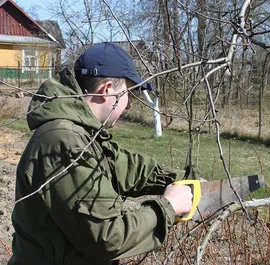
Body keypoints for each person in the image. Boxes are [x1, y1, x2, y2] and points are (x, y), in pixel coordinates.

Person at [8, 42, 195, 265]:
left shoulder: (80, 134)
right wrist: (168, 207)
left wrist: (181, 179)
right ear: (107, 90)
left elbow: (124, 166)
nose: (128, 107)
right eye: (128, 94)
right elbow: (107, 237)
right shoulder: (63, 141)